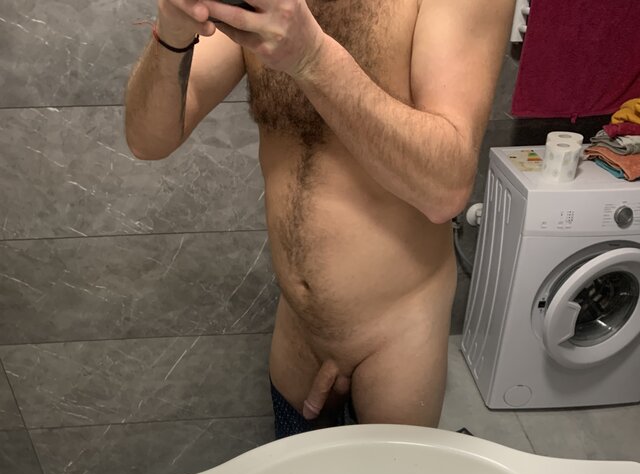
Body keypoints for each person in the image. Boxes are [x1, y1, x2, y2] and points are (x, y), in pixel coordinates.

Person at [125, 0, 515, 437]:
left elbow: (446, 189)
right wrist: (172, 33)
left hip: (396, 343)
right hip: (298, 334)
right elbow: (147, 141)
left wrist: (312, 58)